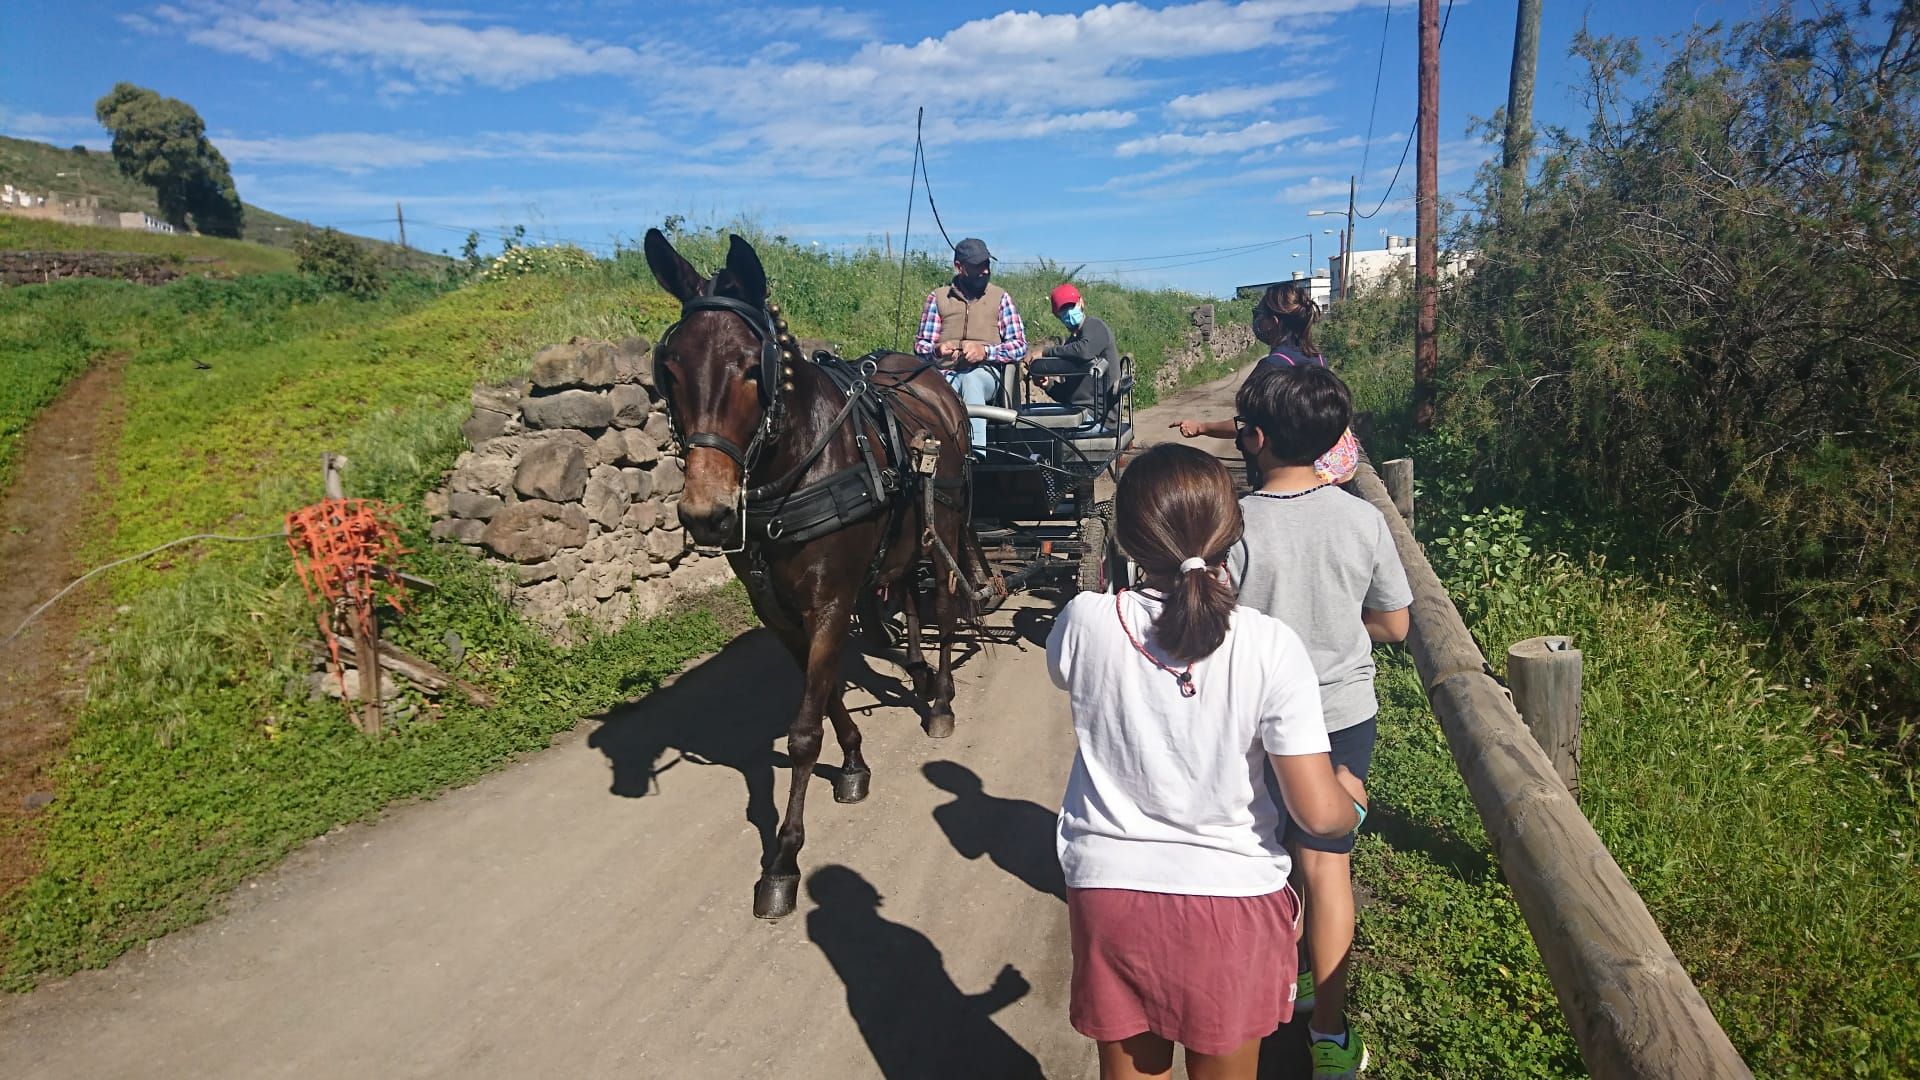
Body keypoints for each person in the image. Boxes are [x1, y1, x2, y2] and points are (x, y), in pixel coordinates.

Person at [1047, 443, 1371, 1080]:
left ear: (1128, 539)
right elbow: (1316, 813)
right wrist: (1348, 795)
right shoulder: (1270, 646)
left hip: (1110, 893)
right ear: (1231, 534)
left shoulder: (1085, 621)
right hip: (1230, 904)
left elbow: (1069, 671)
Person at [1224, 364, 1411, 1080]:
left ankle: (1276, 984)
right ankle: (1328, 1035)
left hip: (1260, 719)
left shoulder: (1236, 525)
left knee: (1269, 858)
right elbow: (1394, 624)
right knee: (1327, 864)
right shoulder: (1361, 519)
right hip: (1342, 715)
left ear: (1259, 439)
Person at [1173, 282, 1359, 484]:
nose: (1258, 320)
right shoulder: (1318, 360)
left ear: (1274, 322)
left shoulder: (1271, 367)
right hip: (1323, 476)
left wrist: (1201, 427)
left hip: (1281, 479)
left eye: (1260, 314)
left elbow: (1250, 425)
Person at [913, 237, 1027, 457]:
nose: (985, 270)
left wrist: (986, 352)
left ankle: (975, 452)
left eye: (987, 264)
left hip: (987, 375)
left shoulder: (1000, 298)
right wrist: (935, 350)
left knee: (970, 379)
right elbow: (920, 346)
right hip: (944, 375)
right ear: (960, 267)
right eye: (978, 266)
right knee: (930, 390)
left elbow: (1020, 346)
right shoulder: (937, 298)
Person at [1028, 282, 1118, 420]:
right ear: (1057, 315)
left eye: (1071, 306)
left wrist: (1045, 352)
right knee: (1029, 418)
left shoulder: (1094, 326)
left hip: (1098, 417)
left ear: (1081, 302)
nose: (1069, 312)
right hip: (1079, 411)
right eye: (1063, 310)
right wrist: (1048, 385)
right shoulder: (1071, 344)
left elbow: (1084, 351)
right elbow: (1069, 396)